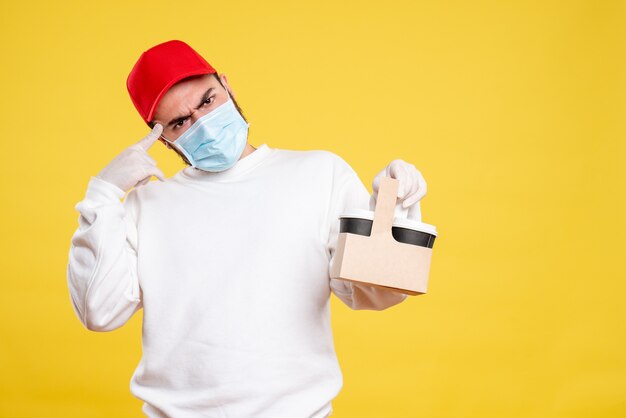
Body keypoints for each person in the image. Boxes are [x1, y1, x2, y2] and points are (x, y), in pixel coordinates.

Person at [66, 40, 428, 418]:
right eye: (179, 122)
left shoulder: (319, 174)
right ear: (161, 137)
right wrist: (102, 197)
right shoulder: (146, 207)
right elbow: (99, 312)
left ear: (227, 85)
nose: (201, 124)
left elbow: (374, 293)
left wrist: (392, 209)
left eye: (207, 101)